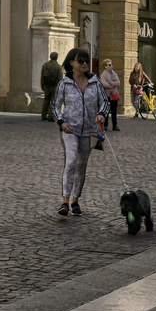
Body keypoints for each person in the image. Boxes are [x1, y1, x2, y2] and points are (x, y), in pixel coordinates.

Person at [52, 47, 104, 217]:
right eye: (80, 61)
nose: (84, 64)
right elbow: (55, 105)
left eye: (86, 61)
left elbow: (105, 102)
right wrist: (61, 122)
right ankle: (65, 201)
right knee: (71, 161)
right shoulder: (64, 83)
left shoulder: (95, 83)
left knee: (81, 165)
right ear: (71, 63)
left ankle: (76, 201)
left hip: (89, 130)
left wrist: (101, 114)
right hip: (70, 129)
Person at [99, 58, 121, 131]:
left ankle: (115, 125)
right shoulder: (103, 75)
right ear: (105, 66)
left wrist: (110, 83)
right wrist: (112, 85)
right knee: (106, 111)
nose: (111, 66)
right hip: (107, 95)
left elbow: (118, 83)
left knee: (114, 111)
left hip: (114, 94)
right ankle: (105, 125)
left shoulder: (114, 74)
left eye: (111, 64)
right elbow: (104, 84)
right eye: (109, 65)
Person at [40, 51, 62, 121]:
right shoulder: (58, 67)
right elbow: (60, 78)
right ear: (57, 58)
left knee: (46, 100)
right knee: (53, 101)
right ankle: (51, 116)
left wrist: (42, 85)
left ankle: (43, 115)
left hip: (46, 85)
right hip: (54, 86)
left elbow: (42, 77)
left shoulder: (45, 65)